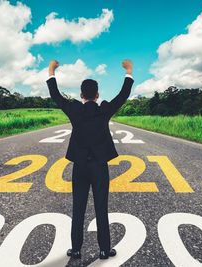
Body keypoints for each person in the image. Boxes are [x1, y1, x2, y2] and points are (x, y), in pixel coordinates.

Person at [46, 59, 134, 260]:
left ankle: (76, 250)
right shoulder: (104, 110)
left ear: (81, 95)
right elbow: (123, 96)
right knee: (101, 208)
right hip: (99, 166)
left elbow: (55, 96)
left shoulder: (74, 110)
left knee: (78, 208)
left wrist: (51, 71)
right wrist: (128, 72)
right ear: (97, 95)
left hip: (80, 167)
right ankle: (104, 250)